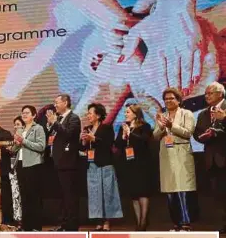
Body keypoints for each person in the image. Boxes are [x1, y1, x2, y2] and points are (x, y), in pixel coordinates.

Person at [153, 88, 197, 231]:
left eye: (171, 98)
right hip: (166, 155)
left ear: (178, 100)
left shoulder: (186, 114)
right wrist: (160, 127)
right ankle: (176, 223)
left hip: (181, 155)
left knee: (182, 189)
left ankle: (186, 223)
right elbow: (155, 136)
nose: (168, 101)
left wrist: (172, 125)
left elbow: (188, 132)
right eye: (166, 99)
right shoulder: (163, 115)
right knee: (170, 191)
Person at [81, 103, 123, 231]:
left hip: (105, 164)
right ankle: (98, 220)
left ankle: (107, 221)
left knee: (107, 193)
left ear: (98, 115)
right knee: (95, 194)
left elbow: (108, 144)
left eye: (90, 113)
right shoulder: (87, 128)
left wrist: (94, 139)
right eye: (87, 113)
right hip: (91, 165)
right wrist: (83, 141)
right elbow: (83, 147)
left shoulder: (106, 128)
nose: (88, 115)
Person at [193, 82, 226, 234]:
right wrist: (204, 136)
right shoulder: (203, 114)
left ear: (220, 93)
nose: (207, 96)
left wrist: (224, 119)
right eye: (206, 93)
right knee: (219, 194)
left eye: (210, 93)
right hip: (211, 160)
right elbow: (197, 134)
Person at [115, 104, 153, 230]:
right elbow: (118, 145)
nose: (125, 114)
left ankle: (143, 221)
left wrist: (130, 134)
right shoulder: (123, 127)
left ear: (135, 114)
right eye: (125, 112)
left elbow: (144, 141)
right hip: (128, 164)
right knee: (134, 194)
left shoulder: (145, 126)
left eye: (128, 112)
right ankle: (138, 222)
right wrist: (123, 136)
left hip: (141, 163)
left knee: (143, 193)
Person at [46, 94, 81, 231]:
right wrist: (51, 124)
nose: (55, 105)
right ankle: (64, 224)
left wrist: (55, 122)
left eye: (57, 102)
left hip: (69, 163)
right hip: (58, 162)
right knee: (62, 195)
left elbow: (69, 135)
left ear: (65, 103)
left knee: (70, 195)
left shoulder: (74, 118)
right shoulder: (59, 119)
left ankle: (72, 226)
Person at [11, 105, 46, 231]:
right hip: (20, 165)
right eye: (23, 113)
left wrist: (24, 141)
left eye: (27, 113)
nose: (24, 115)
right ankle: (26, 226)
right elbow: (14, 150)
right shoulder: (20, 129)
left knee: (33, 196)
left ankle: (36, 226)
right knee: (24, 196)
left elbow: (41, 146)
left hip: (33, 165)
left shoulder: (38, 128)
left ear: (34, 115)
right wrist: (15, 144)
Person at [9, 116, 25, 229]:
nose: (16, 126)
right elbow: (12, 151)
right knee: (15, 196)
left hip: (25, 168)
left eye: (18, 124)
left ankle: (24, 220)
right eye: (15, 124)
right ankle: (17, 220)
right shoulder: (12, 137)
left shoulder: (26, 136)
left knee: (23, 195)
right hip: (13, 170)